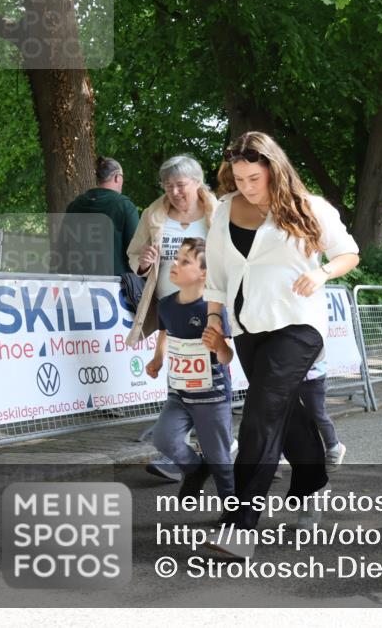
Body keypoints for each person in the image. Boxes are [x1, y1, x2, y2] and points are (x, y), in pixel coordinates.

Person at [204, 132, 359, 558]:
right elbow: (216, 273)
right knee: (281, 411)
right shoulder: (222, 210)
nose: (247, 187)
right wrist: (215, 319)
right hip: (248, 324)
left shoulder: (310, 208)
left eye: (254, 177)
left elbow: (349, 253)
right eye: (238, 178)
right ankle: (313, 484)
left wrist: (324, 273)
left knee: (260, 412)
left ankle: (241, 524)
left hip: (298, 323)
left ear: (274, 169)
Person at [126, 155, 221, 482]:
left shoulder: (218, 213)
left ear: (197, 182)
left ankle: (219, 451)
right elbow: (134, 257)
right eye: (168, 186)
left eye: (180, 185)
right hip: (169, 308)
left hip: (210, 308)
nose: (175, 192)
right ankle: (184, 452)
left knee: (208, 380)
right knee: (180, 380)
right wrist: (144, 261)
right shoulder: (154, 214)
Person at [145, 239, 235, 500]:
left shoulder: (213, 308)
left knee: (218, 455)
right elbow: (165, 332)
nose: (174, 264)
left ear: (204, 274)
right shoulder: (167, 304)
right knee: (164, 439)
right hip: (180, 393)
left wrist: (219, 345)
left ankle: (232, 505)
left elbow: (227, 357)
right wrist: (158, 358)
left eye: (184, 261)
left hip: (212, 396)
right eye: (176, 258)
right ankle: (195, 469)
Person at [55, 157, 139, 275]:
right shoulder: (125, 207)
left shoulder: (74, 206)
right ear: (117, 178)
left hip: (78, 285)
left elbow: (62, 248)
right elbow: (136, 251)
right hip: (115, 288)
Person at [299, 360, 346, 475]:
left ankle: (334, 447)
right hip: (288, 378)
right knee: (284, 416)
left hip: (312, 377)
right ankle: (277, 457)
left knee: (318, 415)